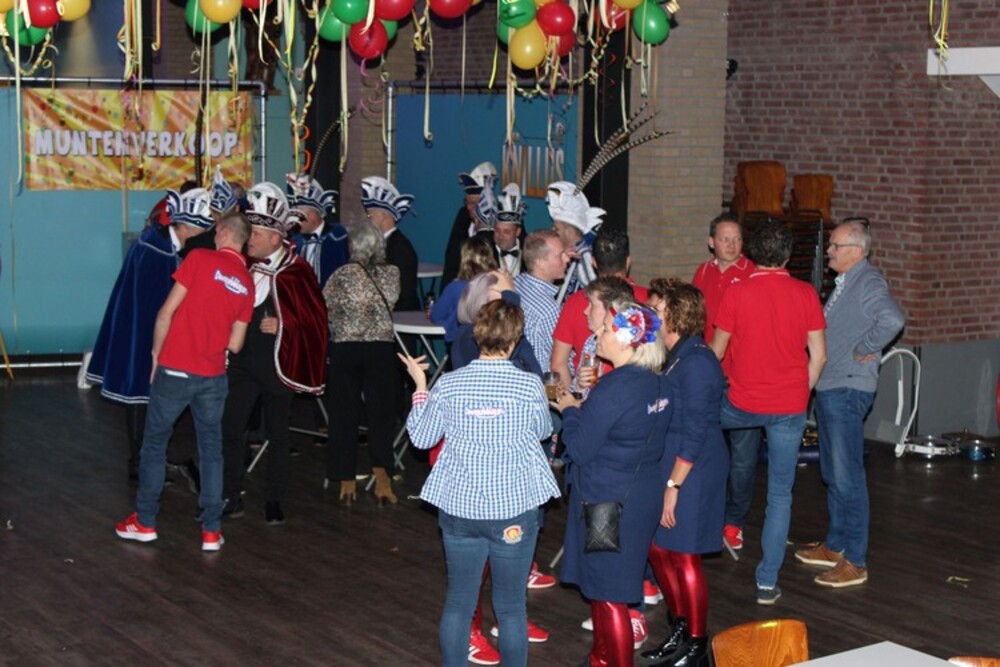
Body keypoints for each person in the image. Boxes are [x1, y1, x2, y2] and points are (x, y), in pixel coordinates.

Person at [399, 299, 561, 667]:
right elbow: (542, 431)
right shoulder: (528, 386)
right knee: (511, 608)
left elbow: (421, 438)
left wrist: (421, 387)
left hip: (460, 508)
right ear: (515, 340)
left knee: (459, 601)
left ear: (478, 335)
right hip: (513, 510)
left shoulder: (450, 384)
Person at [114, 211, 253, 552]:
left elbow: (165, 313)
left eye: (215, 230)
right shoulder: (246, 281)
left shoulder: (199, 258)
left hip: (175, 369)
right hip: (213, 377)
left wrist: (155, 356)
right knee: (211, 450)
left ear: (223, 233)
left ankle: (145, 521)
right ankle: (211, 531)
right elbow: (236, 344)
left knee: (154, 445)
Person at [710, 220, 827, 605]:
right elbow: (819, 357)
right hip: (789, 406)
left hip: (741, 404)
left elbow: (716, 353)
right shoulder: (805, 293)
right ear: (788, 256)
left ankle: (691, 527)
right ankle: (766, 582)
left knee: (692, 435)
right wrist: (800, 392)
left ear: (751, 253)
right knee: (780, 496)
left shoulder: (737, 292)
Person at [552, 302, 671, 667]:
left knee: (608, 595)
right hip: (642, 493)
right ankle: (600, 658)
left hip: (607, 504)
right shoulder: (657, 381)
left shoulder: (615, 388)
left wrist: (569, 410)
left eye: (605, 330)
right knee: (615, 585)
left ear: (626, 340)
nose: (597, 334)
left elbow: (580, 449)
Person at [794, 220, 904, 588]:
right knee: (833, 472)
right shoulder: (847, 282)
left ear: (856, 251)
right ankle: (836, 545)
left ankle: (855, 560)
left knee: (847, 476)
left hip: (847, 388)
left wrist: (865, 348)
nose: (828, 251)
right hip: (833, 387)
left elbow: (893, 319)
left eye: (835, 246)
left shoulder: (868, 281)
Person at [220, 182, 328, 525]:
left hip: (277, 364)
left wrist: (284, 324)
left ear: (275, 237)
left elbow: (316, 319)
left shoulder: (298, 271)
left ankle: (274, 499)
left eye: (256, 234)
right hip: (241, 361)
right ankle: (230, 495)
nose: (249, 239)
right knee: (231, 427)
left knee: (278, 433)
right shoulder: (241, 264)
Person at [87, 187, 213, 481]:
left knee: (149, 397)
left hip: (148, 328)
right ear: (187, 227)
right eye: (202, 230)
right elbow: (156, 304)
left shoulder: (158, 242)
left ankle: (146, 459)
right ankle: (141, 462)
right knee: (141, 396)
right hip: (146, 333)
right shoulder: (156, 251)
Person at [642, 279, 729, 667]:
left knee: (684, 555)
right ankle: (679, 627)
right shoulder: (672, 354)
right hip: (670, 461)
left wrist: (673, 485)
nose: (650, 315)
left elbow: (695, 432)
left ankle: (697, 645)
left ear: (676, 315)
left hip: (693, 468)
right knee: (659, 548)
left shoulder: (697, 363)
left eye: (656, 310)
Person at [324, 219, 402, 505]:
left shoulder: (341, 275)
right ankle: (382, 477)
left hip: (345, 348)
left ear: (352, 246)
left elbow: (326, 306)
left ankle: (345, 480)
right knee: (381, 414)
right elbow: (392, 301)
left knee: (343, 414)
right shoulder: (392, 274)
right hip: (381, 348)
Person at [692, 213, 758, 552]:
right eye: (724, 238)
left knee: (743, 458)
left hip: (741, 380)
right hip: (707, 378)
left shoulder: (752, 275)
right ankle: (705, 513)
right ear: (711, 242)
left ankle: (734, 521)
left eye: (737, 239)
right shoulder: (702, 272)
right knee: (705, 450)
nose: (732, 245)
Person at [551, 228, 648, 393]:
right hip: (638, 393)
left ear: (594, 262)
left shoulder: (574, 302)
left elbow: (558, 364)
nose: (586, 311)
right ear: (628, 262)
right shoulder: (650, 301)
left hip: (594, 396)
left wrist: (572, 401)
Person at [451, 271, 541, 376]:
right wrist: (511, 299)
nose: (506, 305)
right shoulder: (467, 335)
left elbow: (534, 368)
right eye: (503, 296)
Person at [513, 229, 568, 372]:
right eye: (560, 255)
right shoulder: (548, 309)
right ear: (540, 263)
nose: (567, 259)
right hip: (541, 379)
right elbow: (561, 360)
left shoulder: (516, 282)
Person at [361, 176, 419, 311]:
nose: (368, 219)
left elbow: (403, 293)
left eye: (370, 215)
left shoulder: (400, 248)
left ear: (382, 216)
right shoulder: (385, 243)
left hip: (400, 315)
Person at [430, 235, 498, 344]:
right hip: (493, 342)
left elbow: (436, 316)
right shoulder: (499, 285)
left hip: (461, 342)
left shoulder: (455, 287)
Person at [546, 181, 605, 303]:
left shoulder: (586, 257)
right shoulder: (565, 254)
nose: (553, 231)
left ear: (569, 232)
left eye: (556, 229)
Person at [441, 161, 497, 290]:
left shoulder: (502, 220)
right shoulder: (462, 216)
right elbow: (451, 261)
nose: (469, 207)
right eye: (467, 202)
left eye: (474, 203)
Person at [287, 172, 348, 287]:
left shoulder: (337, 237)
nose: (296, 219)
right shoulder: (295, 242)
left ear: (313, 214)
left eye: (301, 213)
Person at [494, 183, 526, 276]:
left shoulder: (529, 253)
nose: (500, 236)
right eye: (497, 230)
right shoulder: (486, 252)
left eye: (506, 232)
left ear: (518, 232)